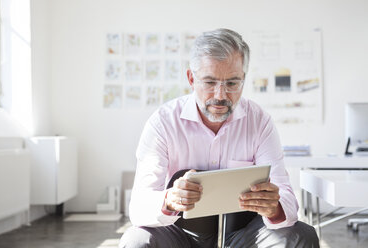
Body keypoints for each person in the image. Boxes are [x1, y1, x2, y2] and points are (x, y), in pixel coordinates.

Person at [119, 28, 319, 248]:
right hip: (179, 233)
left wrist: (275, 207)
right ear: (191, 78)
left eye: (232, 83)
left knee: (302, 235)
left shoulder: (259, 122)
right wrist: (169, 200)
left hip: (244, 234)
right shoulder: (163, 123)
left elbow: (288, 200)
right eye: (210, 82)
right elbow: (138, 208)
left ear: (243, 79)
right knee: (136, 241)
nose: (220, 95)